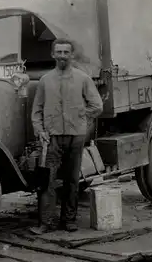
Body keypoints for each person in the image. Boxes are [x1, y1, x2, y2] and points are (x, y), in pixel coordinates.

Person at [30, 38, 103, 234]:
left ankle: (69, 221)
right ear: (53, 54)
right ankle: (45, 223)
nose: (62, 56)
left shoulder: (82, 78)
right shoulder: (45, 81)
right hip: (52, 138)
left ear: (71, 55)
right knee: (48, 181)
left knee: (72, 180)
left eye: (66, 52)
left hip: (75, 136)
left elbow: (97, 106)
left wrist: (81, 116)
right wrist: (40, 131)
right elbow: (36, 111)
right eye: (59, 52)